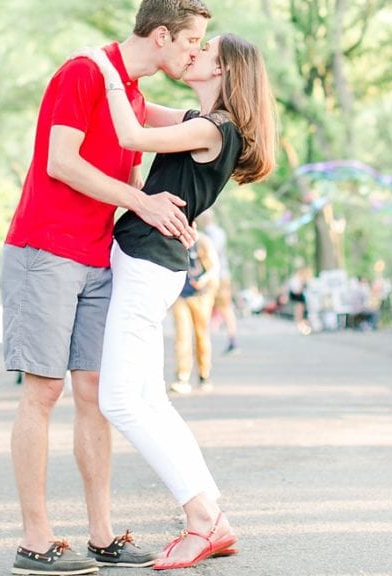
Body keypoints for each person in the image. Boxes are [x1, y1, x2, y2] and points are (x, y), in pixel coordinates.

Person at [1, 0, 208, 575]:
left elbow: (195, 124)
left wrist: (231, 107)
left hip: (97, 257)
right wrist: (139, 201)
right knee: (42, 391)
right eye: (190, 42)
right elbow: (60, 162)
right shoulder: (84, 72)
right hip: (44, 250)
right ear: (161, 35)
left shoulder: (132, 94)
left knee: (95, 395)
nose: (193, 54)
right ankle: (35, 540)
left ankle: (101, 535)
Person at [85, 32, 276, 571]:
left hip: (149, 264)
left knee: (120, 400)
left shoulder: (214, 129)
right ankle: (210, 513)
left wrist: (105, 63)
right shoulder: (205, 121)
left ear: (224, 72)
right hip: (151, 262)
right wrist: (127, 73)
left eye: (204, 51)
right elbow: (142, 106)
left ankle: (201, 519)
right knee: (147, 399)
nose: (192, 55)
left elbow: (130, 131)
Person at [168, 234, 217, 395]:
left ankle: (204, 375)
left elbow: (213, 268)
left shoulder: (203, 241)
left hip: (201, 295)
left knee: (201, 335)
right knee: (182, 335)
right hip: (180, 294)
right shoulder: (174, 238)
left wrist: (202, 280)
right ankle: (182, 376)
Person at [198, 212, 239, 355]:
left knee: (225, 308)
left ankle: (233, 342)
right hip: (214, 276)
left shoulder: (215, 233)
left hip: (218, 276)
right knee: (209, 309)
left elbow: (212, 252)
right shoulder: (210, 233)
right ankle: (203, 345)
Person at [285, 267, 311, 334]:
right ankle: (300, 326)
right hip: (298, 298)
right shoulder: (296, 280)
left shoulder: (296, 279)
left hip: (299, 298)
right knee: (299, 312)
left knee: (300, 313)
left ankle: (301, 326)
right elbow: (297, 291)